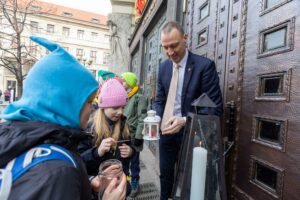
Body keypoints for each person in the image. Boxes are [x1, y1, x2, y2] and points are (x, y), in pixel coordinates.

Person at [0, 36, 126, 200]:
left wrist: (86, 184)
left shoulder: (19, 137)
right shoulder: (58, 173)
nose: (92, 108)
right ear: (65, 102)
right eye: (88, 102)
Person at [154, 21, 223, 199]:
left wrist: (184, 121)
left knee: (190, 181)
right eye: (165, 47)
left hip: (193, 135)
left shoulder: (205, 66)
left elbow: (214, 109)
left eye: (174, 46)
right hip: (166, 132)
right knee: (166, 176)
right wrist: (157, 119)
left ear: (185, 38)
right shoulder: (163, 68)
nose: (170, 52)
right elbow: (160, 100)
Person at [80, 78, 135, 196]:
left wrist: (130, 152)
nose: (120, 112)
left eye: (123, 107)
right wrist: (97, 152)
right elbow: (79, 160)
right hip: (98, 188)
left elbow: (131, 147)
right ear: (103, 106)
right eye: (115, 107)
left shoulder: (124, 124)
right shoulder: (90, 128)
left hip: (119, 184)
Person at [121, 72, 148, 197]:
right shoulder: (125, 96)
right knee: (124, 162)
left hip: (134, 136)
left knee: (135, 163)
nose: (122, 83)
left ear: (130, 83)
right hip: (124, 136)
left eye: (124, 81)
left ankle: (135, 183)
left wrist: (138, 137)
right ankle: (126, 182)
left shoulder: (139, 97)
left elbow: (142, 118)